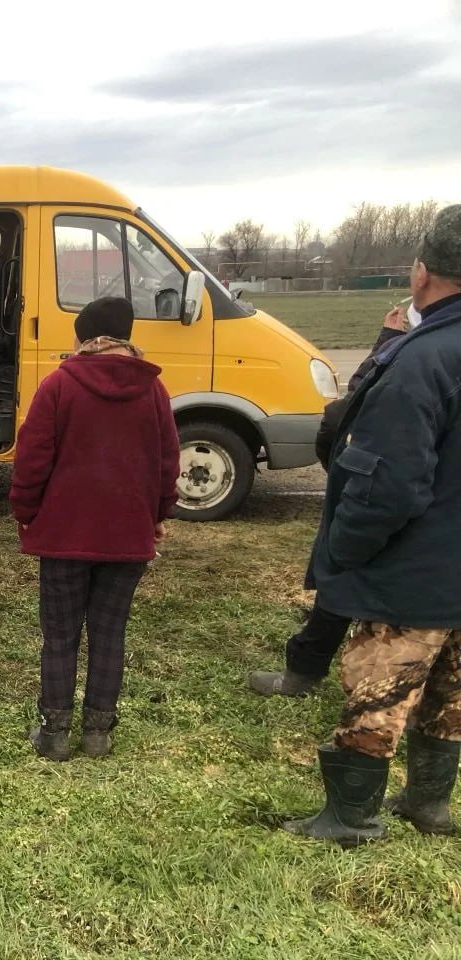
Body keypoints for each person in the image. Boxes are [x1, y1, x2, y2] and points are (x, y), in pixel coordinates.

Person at [284, 205, 461, 846]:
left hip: (413, 572)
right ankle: (430, 804)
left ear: (422, 274)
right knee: (450, 696)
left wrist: (345, 551)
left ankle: (352, 816)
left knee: (378, 695)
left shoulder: (423, 360)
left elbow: (386, 485)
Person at [9, 296, 180, 760]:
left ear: (85, 337)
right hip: (127, 535)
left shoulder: (59, 385)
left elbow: (32, 459)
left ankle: (54, 733)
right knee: (109, 632)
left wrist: (25, 510)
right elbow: (167, 461)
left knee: (60, 635)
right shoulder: (154, 391)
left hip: (64, 535)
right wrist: (158, 515)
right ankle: (98, 733)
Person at [249, 303, 410, 697]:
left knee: (345, 568)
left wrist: (342, 469)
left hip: (387, 489)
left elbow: (346, 412)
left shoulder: (418, 356)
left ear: (424, 276)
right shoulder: (429, 347)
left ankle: (309, 673)